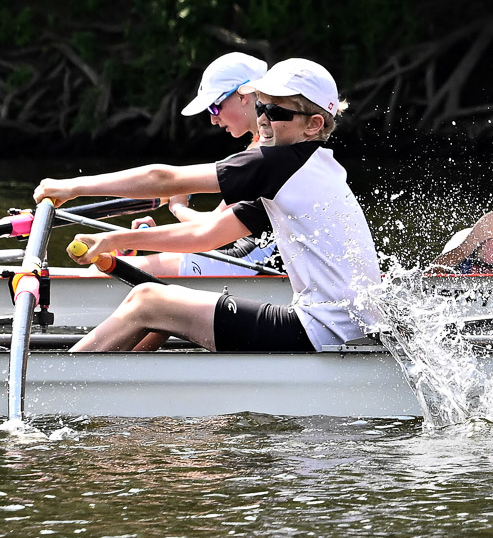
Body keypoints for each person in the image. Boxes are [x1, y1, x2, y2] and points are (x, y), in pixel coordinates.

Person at [31, 59, 382, 352]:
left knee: (148, 300)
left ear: (313, 125)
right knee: (168, 302)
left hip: (318, 331)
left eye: (274, 111)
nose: (262, 119)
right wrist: (113, 242)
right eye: (260, 105)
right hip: (343, 330)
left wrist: (72, 187)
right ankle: (117, 391)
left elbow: (165, 179)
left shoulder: (279, 163)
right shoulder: (314, 170)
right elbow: (207, 235)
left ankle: (57, 386)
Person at [134, 52, 282, 279]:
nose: (213, 119)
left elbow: (212, 227)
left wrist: (178, 207)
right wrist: (155, 235)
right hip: (254, 255)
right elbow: (219, 225)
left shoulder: (264, 151)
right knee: (132, 261)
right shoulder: (266, 142)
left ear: (244, 96)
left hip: (258, 264)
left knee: (116, 267)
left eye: (214, 107)